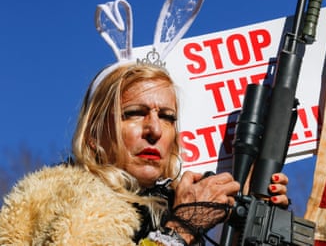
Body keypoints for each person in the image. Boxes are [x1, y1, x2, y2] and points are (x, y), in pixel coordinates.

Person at [0, 57, 290, 245]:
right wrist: (183, 228)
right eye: (134, 113)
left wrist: (252, 226)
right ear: (94, 136)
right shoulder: (69, 201)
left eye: (167, 117)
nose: (154, 129)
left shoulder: (166, 210)